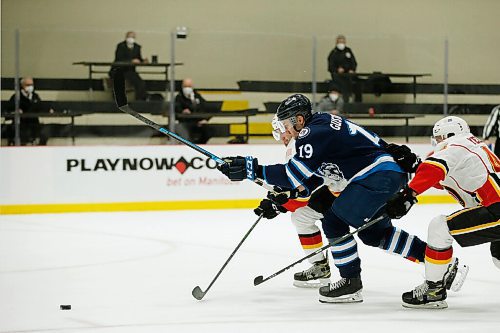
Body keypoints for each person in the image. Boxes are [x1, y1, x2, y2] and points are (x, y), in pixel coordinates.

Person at [217, 94, 464, 304]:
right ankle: (440, 264)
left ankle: (350, 282)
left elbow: (293, 175)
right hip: (383, 175)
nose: (284, 131)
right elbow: (313, 178)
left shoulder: (311, 134)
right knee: (374, 234)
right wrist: (285, 196)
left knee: (334, 219)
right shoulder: (323, 125)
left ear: (299, 120)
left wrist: (250, 168)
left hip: (376, 177)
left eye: (286, 125)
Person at [386, 116, 498, 309]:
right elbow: (440, 176)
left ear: (448, 135)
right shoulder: (472, 146)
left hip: (496, 209)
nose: (436, 142)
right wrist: (414, 164)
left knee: (440, 227)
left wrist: (408, 194)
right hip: (494, 208)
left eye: (438, 138)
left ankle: (433, 290)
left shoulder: (457, 145)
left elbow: (436, 168)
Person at [254, 116, 338, 288]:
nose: (281, 136)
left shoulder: (297, 145)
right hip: (334, 188)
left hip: (344, 190)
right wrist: (279, 201)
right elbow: (301, 187)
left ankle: (329, 269)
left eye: (282, 129)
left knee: (373, 234)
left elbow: (302, 191)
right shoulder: (303, 141)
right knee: (301, 217)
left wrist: (279, 205)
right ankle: (320, 266)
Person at [5, 77, 53, 145]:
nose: (30, 87)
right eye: (28, 85)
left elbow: (40, 106)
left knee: (46, 132)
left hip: (34, 123)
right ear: (22, 85)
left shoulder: (35, 96)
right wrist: (15, 111)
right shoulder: (16, 97)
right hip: (21, 124)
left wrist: (48, 110)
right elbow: (9, 110)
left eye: (31, 85)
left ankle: (40, 148)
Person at [111, 31, 148, 100]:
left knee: (141, 83)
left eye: (133, 37)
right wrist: (131, 61)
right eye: (129, 37)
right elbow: (119, 58)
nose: (131, 39)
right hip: (120, 70)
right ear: (126, 37)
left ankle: (139, 102)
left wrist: (143, 61)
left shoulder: (137, 47)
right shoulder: (120, 46)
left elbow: (138, 58)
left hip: (130, 71)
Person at [174, 78, 210, 144]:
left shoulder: (197, 96)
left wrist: (205, 119)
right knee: (183, 129)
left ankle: (201, 145)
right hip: (185, 122)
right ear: (182, 87)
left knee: (208, 129)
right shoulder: (179, 97)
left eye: (189, 86)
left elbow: (205, 108)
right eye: (185, 86)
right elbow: (176, 109)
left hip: (198, 121)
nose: (187, 88)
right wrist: (183, 111)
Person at [327, 34, 360, 102]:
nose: (341, 44)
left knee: (358, 84)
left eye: (343, 42)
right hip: (338, 76)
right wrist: (337, 70)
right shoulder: (333, 53)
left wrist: (352, 69)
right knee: (342, 86)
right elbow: (330, 66)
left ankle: (355, 101)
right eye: (340, 42)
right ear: (336, 43)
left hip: (348, 76)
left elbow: (353, 62)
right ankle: (345, 101)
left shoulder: (348, 51)